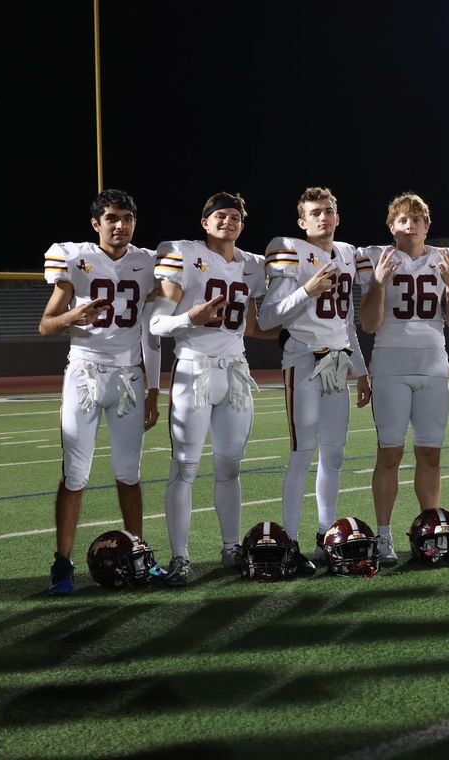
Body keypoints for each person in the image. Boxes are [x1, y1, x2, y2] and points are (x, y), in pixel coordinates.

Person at [39, 189, 161, 595]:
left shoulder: (146, 262)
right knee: (75, 473)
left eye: (126, 218)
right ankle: (62, 562)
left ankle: (139, 553)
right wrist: (73, 314)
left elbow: (150, 329)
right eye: (111, 218)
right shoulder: (74, 259)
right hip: (85, 373)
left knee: (130, 473)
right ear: (96, 224)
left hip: (127, 376)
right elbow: (46, 324)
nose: (120, 225)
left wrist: (152, 388)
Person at [150, 192, 273, 586]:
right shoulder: (183, 253)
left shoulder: (253, 265)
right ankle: (181, 557)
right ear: (205, 222)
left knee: (230, 468)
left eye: (235, 216)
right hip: (195, 370)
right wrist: (192, 315)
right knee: (184, 468)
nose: (228, 221)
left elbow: (254, 326)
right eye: (220, 215)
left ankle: (231, 547)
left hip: (235, 373)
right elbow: (155, 325)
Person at [258, 187, 372, 575]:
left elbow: (347, 321)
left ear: (337, 217)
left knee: (335, 453)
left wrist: (362, 369)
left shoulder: (346, 253)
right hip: (304, 358)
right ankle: (289, 541)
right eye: (314, 213)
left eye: (328, 211)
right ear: (302, 222)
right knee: (303, 452)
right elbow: (267, 318)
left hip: (338, 361)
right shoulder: (288, 248)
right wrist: (307, 289)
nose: (323, 217)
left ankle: (325, 533)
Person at [358, 192, 449, 564]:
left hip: (434, 364)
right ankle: (384, 535)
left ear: (427, 225)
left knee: (430, 454)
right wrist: (378, 283)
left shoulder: (444, 259)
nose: (411, 225)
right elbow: (370, 324)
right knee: (389, 452)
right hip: (390, 363)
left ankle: (429, 530)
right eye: (403, 219)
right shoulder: (376, 257)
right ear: (392, 226)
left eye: (417, 219)